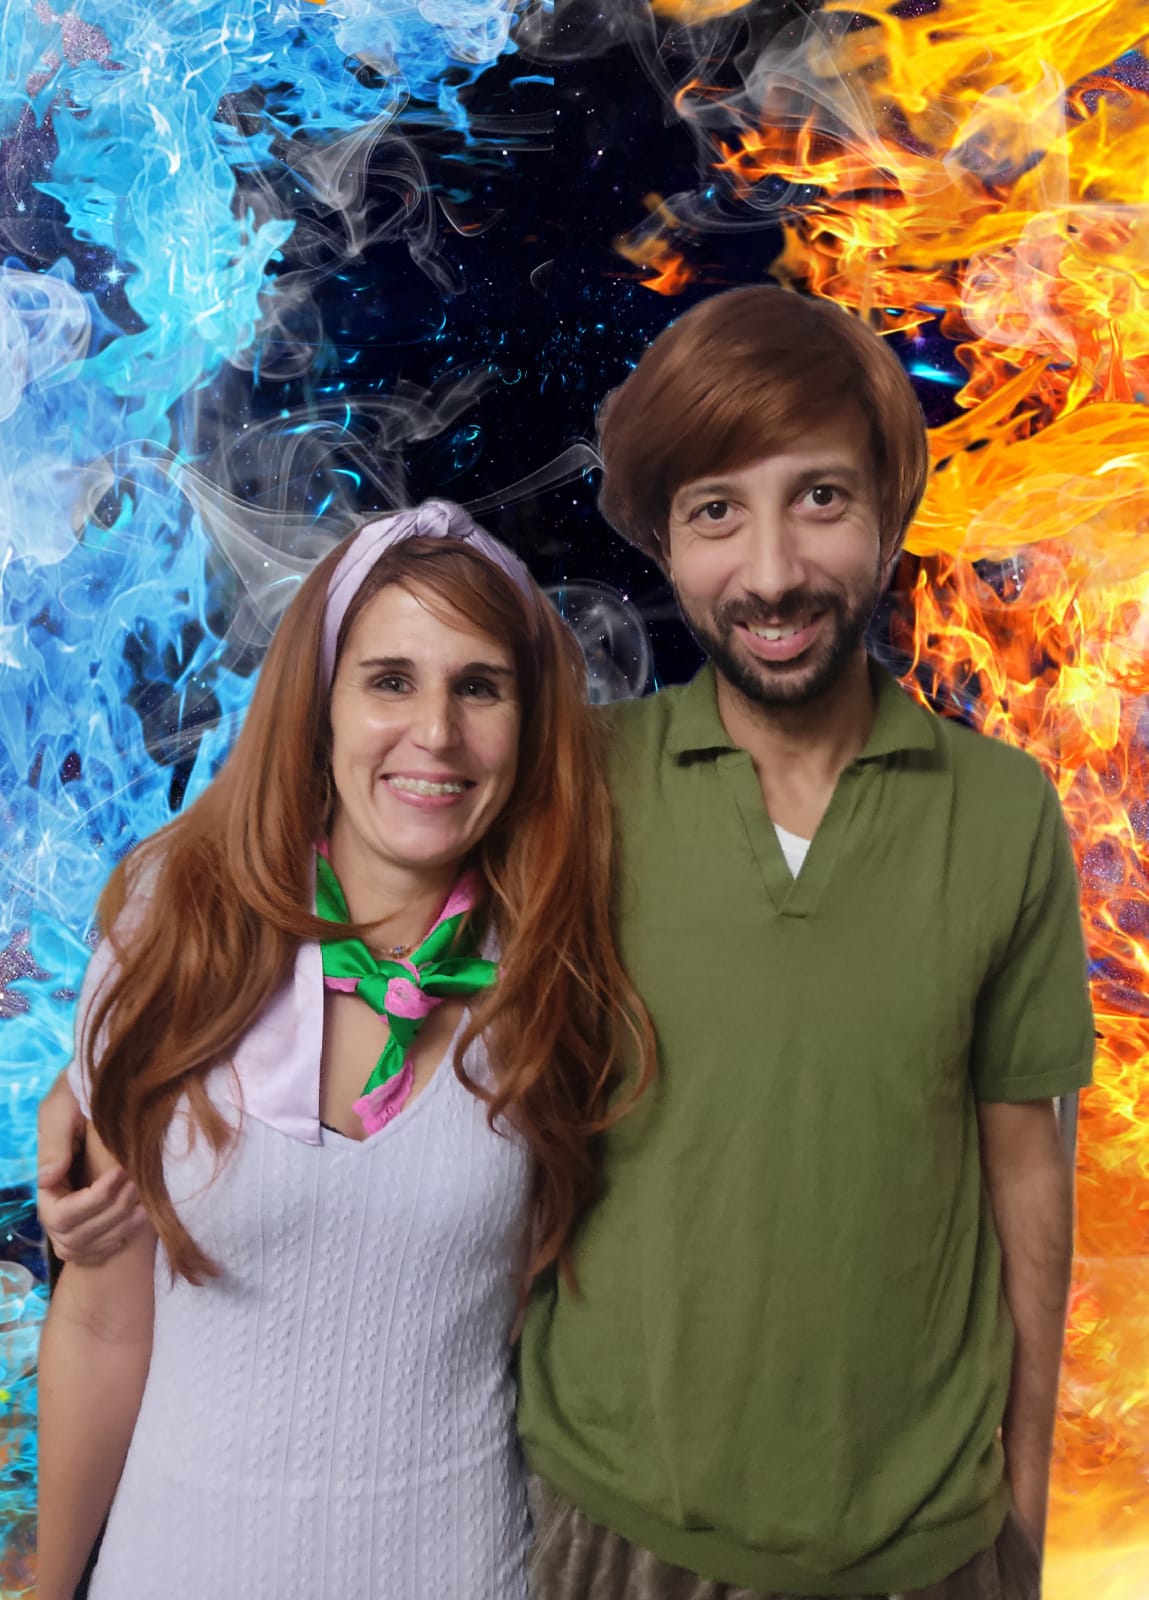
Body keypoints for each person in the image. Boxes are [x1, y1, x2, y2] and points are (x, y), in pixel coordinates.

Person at [40, 288, 1094, 1600]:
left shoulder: (974, 816)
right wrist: (97, 1076)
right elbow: (300, 872)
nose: (772, 570)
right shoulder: (585, 793)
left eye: (821, 498)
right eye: (717, 511)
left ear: (891, 506)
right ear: (662, 536)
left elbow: (1025, 1175)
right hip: (589, 1538)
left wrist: (1023, 1519)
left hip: (831, 1543)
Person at [36, 500, 654, 1600]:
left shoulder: (566, 970)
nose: (436, 733)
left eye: (480, 686)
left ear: (527, 720)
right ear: (319, 702)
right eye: (390, 680)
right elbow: (102, 1321)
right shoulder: (173, 934)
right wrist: (48, 1586)